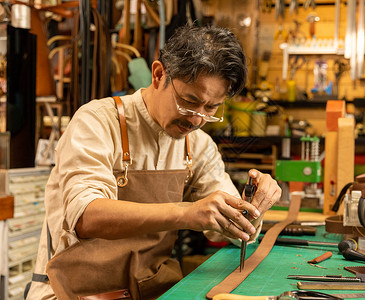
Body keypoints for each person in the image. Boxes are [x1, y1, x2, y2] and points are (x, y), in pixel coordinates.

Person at [27, 25, 281, 300]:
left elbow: (234, 230)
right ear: (159, 74)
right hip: (73, 292)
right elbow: (86, 217)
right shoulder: (97, 122)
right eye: (189, 101)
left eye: (211, 108)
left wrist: (251, 209)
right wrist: (187, 213)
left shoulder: (197, 145)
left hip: (150, 290)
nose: (197, 119)